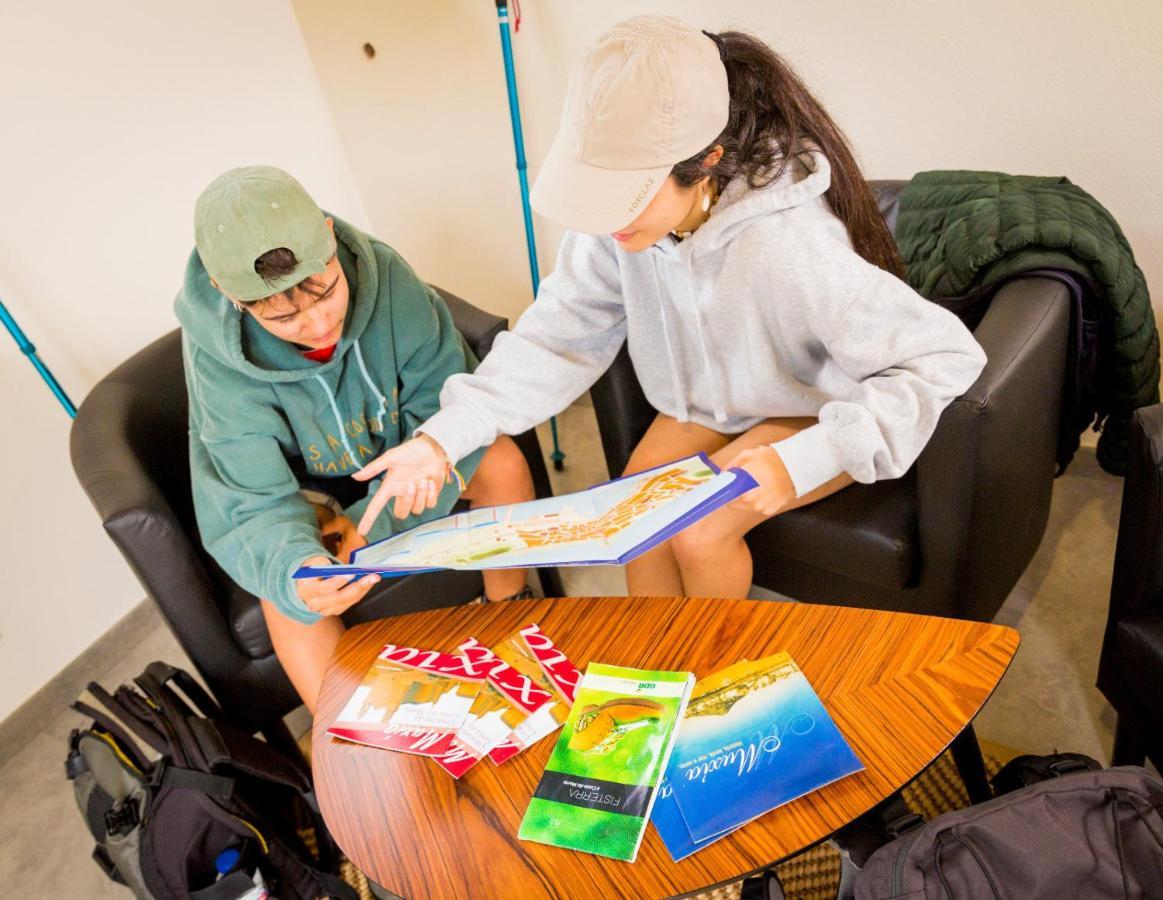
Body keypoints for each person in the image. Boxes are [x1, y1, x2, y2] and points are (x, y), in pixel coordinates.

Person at [351, 15, 987, 600]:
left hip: (813, 403)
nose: (605, 219)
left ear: (706, 161)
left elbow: (944, 357)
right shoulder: (616, 229)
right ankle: (656, 687)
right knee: (633, 520)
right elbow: (556, 339)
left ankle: (717, 697)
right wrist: (440, 440)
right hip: (709, 406)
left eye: (623, 195)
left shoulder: (788, 243)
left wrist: (801, 462)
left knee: (700, 530)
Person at [176, 166, 534, 712]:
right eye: (284, 316)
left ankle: (508, 613)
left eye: (326, 291)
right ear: (230, 295)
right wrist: (297, 568)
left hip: (404, 447)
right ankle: (359, 746)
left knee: (503, 464)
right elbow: (250, 498)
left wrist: (380, 516)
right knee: (290, 599)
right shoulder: (217, 359)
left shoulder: (385, 273)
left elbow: (442, 402)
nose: (319, 325)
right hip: (306, 501)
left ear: (327, 236)